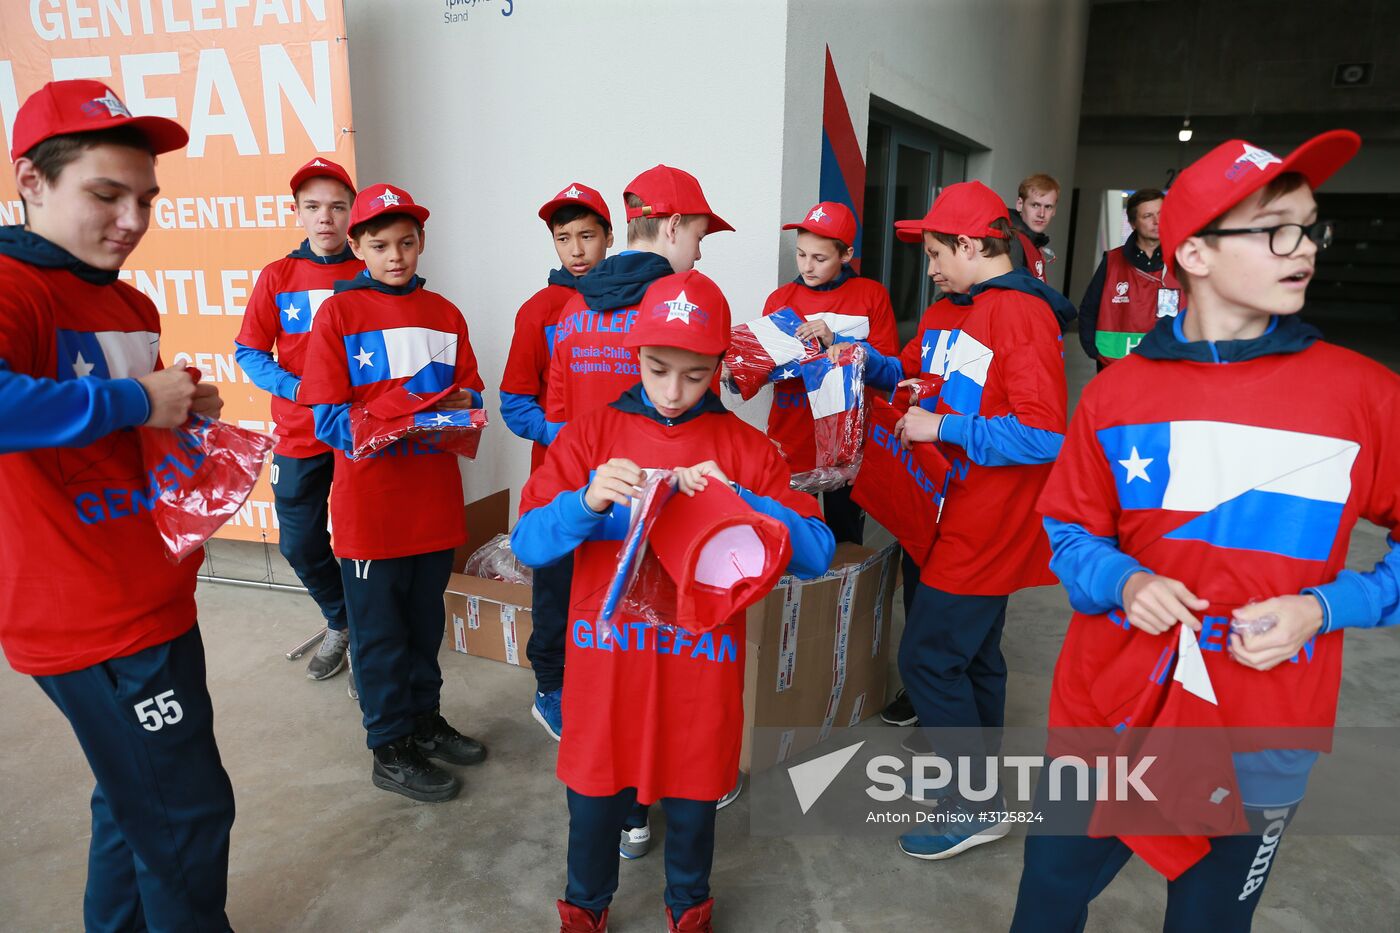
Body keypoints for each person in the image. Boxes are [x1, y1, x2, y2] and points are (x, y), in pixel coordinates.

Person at [1010, 130, 1400, 931]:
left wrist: (1326, 608)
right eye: (1276, 229)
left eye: (1311, 227)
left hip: (1261, 725)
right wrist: (1127, 580)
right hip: (1108, 710)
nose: (1306, 250)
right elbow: (1068, 532)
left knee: (1210, 921)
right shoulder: (1117, 396)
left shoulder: (1366, 395)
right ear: (1192, 253)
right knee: (1047, 901)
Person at [511, 270, 835, 933]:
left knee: (692, 806)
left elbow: (817, 551)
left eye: (694, 374)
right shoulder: (592, 436)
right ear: (636, 353)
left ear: (720, 365)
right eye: (658, 368)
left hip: (700, 671)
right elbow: (528, 543)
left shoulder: (744, 449)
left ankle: (689, 907)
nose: (672, 391)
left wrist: (741, 500)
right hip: (605, 671)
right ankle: (585, 906)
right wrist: (588, 499)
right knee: (594, 801)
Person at [0, 79, 235, 930]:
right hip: (89, 619)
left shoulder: (128, 300)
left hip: (153, 593)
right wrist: (139, 402)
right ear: (31, 181)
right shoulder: (12, 286)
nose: (131, 219)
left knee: (135, 799)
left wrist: (180, 406)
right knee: (187, 816)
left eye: (145, 199)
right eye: (105, 194)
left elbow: (116, 418)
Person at [850, 181, 1072, 859]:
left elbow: (1044, 434)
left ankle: (972, 802)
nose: (932, 266)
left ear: (974, 245)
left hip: (990, 518)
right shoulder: (951, 309)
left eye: (938, 252)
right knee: (974, 656)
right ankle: (979, 787)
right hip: (951, 509)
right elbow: (911, 373)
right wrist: (859, 358)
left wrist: (943, 424)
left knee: (925, 656)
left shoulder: (1022, 317)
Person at [298, 183, 488, 802]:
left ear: (422, 243)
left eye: (407, 243)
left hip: (431, 500)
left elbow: (472, 399)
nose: (396, 256)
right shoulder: (337, 315)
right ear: (356, 246)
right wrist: (403, 411)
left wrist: (448, 410)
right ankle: (389, 747)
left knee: (422, 624)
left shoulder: (446, 314)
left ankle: (424, 722)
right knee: (379, 635)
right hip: (370, 510)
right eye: (379, 245)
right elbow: (327, 419)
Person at [235, 156, 364, 681]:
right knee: (299, 541)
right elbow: (249, 352)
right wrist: (299, 389)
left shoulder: (369, 271)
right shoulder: (278, 276)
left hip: (359, 432)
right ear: (298, 213)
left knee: (364, 542)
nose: (326, 218)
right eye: (313, 207)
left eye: (336, 207)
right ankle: (342, 620)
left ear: (353, 212)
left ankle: (372, 634)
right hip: (298, 432)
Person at [499, 182, 613, 741]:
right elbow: (514, 403)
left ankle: (605, 680)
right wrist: (563, 434)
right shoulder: (539, 310)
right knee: (556, 589)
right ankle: (550, 686)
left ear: (609, 238)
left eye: (587, 236)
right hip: (560, 485)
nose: (576, 250)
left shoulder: (634, 305)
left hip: (624, 487)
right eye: (563, 238)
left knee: (617, 589)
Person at [762, 200, 898, 544]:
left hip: (849, 447)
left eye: (819, 258)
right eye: (801, 254)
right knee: (793, 546)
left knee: (846, 545)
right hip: (791, 442)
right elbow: (764, 371)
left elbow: (891, 373)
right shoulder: (780, 299)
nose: (807, 266)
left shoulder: (872, 296)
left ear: (846, 255)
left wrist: (837, 341)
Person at [1076, 187, 1184, 369]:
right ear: (1133, 223)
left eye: (1161, 213)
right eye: (1147, 216)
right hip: (1114, 363)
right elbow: (1088, 309)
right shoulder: (1112, 261)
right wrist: (1093, 350)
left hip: (1166, 362)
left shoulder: (1183, 260)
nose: (1157, 221)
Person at [1008, 173, 1060, 283]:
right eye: (1035, 205)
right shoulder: (1012, 240)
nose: (1041, 214)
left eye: (1048, 207)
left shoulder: (1033, 241)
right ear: (1020, 204)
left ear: (1054, 210)